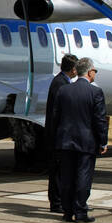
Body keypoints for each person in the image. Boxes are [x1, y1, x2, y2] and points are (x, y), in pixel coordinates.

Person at [53, 57, 107, 222]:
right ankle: (81, 211)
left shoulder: (64, 90)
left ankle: (68, 212)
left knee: (67, 178)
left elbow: (56, 117)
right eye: (95, 71)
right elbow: (100, 120)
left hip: (65, 141)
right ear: (90, 72)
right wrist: (103, 141)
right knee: (83, 177)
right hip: (86, 142)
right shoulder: (95, 92)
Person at [45, 54, 79, 212]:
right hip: (59, 136)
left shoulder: (61, 81)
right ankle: (57, 202)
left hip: (58, 135)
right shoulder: (61, 84)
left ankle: (59, 201)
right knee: (58, 172)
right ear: (73, 69)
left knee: (59, 171)